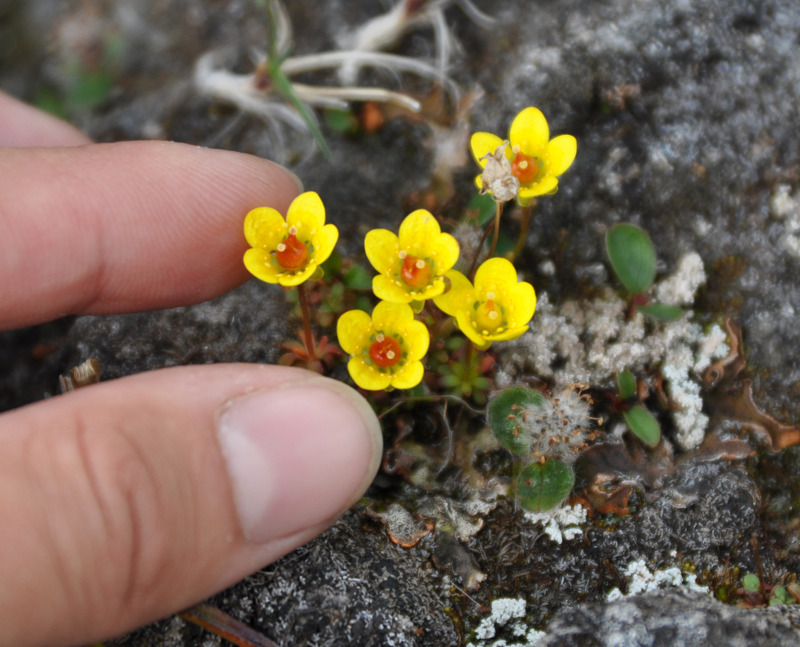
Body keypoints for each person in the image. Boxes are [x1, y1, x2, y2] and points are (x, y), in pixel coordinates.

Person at [0, 90, 383, 647]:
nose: (293, 253)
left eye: (298, 251)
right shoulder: (271, 257)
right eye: (286, 253)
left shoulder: (309, 260)